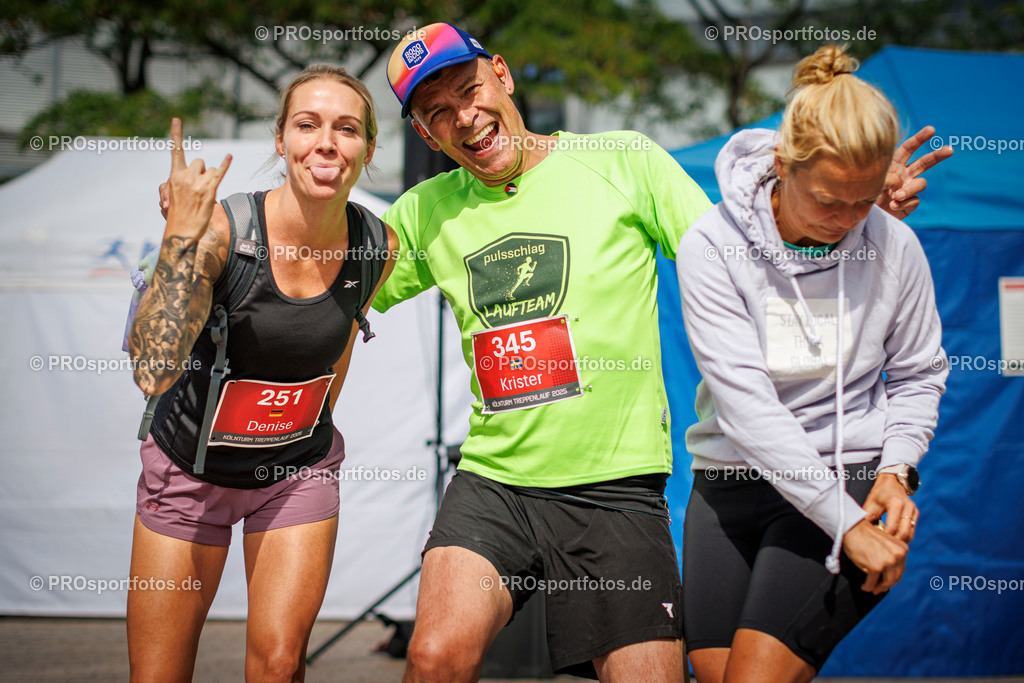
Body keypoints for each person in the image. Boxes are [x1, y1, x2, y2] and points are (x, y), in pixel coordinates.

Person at [375, 24, 949, 682]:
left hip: (616, 489)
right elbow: (326, 292)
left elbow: (746, 258)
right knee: (434, 655)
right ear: (424, 135)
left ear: (501, 74)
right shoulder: (421, 214)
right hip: (495, 483)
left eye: (469, 90)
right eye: (437, 112)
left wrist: (844, 207)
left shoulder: (624, 160)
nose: (464, 117)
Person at [675, 45, 949, 683]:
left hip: (846, 469)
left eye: (863, 201)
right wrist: (846, 525)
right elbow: (747, 408)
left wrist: (897, 470)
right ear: (781, 164)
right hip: (731, 484)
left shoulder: (893, 243)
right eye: (829, 200)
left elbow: (916, 374)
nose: (848, 222)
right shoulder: (712, 247)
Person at [127, 65, 396, 682]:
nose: (326, 142)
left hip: (294, 470)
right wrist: (178, 241)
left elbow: (337, 354)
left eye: (347, 128)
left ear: (368, 149)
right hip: (192, 473)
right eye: (308, 125)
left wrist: (304, 436)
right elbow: (152, 369)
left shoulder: (377, 246)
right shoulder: (223, 232)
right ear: (281, 140)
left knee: (280, 665)